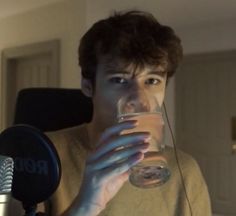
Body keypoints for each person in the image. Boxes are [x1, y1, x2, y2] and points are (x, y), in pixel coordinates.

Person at [44, 10, 212, 216]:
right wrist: (84, 207)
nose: (140, 100)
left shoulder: (185, 170)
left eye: (152, 81)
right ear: (88, 86)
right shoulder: (43, 156)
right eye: (119, 80)